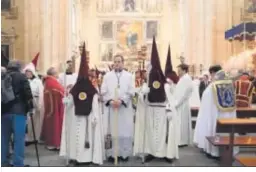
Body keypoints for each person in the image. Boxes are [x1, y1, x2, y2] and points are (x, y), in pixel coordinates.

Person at [60, 43, 104, 166]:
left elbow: (95, 103)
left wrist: (95, 115)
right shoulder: (75, 88)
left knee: (86, 137)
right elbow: (70, 102)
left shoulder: (92, 89)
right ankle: (75, 157)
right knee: (75, 137)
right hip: (75, 117)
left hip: (88, 118)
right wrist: (66, 101)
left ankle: (86, 158)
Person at [134, 38, 168, 162]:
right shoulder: (146, 83)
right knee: (150, 132)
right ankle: (151, 152)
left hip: (162, 110)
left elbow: (169, 96)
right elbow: (142, 96)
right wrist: (143, 93)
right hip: (150, 110)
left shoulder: (165, 83)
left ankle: (161, 152)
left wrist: (169, 109)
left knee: (160, 131)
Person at [193, 67, 238, 158]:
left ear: (213, 73)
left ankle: (213, 151)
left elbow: (206, 106)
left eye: (211, 74)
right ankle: (228, 149)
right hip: (228, 117)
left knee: (214, 129)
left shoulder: (212, 87)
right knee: (226, 132)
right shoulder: (229, 84)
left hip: (215, 117)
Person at [101, 54, 134, 162]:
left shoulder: (129, 76)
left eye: (119, 61)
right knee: (112, 130)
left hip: (124, 109)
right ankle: (112, 154)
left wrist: (121, 101)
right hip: (111, 108)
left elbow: (131, 91)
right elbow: (103, 91)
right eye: (115, 62)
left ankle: (124, 153)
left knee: (124, 130)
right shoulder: (107, 76)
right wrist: (111, 101)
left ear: (123, 63)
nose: (117, 64)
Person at [1, 60, 34, 167]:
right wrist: (30, 108)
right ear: (19, 67)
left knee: (4, 138)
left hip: (4, 112)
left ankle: (3, 162)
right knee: (19, 139)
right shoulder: (21, 76)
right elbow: (28, 94)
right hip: (19, 112)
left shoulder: (2, 76)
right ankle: (18, 164)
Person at [41, 67, 64, 150]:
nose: (58, 74)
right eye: (57, 72)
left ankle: (52, 143)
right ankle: (54, 143)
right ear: (53, 74)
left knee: (52, 125)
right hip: (54, 108)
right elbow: (60, 91)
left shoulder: (48, 81)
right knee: (54, 125)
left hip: (52, 106)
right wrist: (66, 91)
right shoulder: (51, 81)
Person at [23, 57, 44, 145]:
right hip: (26, 103)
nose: (28, 73)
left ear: (32, 73)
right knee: (27, 122)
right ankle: (27, 138)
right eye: (26, 72)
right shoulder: (24, 81)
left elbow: (41, 93)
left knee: (35, 121)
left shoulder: (37, 81)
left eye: (29, 72)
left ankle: (35, 137)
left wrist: (39, 104)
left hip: (35, 102)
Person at [174, 63, 194, 146]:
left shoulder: (186, 79)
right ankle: (180, 140)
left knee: (182, 123)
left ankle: (181, 141)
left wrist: (176, 104)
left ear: (184, 70)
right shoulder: (183, 78)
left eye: (179, 71)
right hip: (180, 103)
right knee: (180, 122)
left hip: (181, 104)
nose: (178, 72)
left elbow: (184, 94)